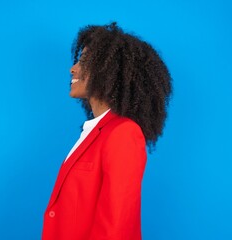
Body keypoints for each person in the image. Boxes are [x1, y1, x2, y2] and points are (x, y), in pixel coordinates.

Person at [42, 22, 172, 240]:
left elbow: (116, 224)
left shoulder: (123, 133)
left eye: (83, 62)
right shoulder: (95, 131)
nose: (73, 69)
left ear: (108, 71)